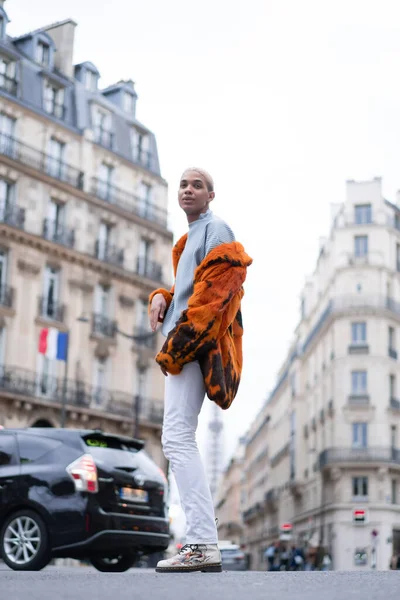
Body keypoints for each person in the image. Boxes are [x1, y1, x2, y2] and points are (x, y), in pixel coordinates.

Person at [148, 168, 252, 573]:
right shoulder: (191, 237)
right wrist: (162, 296)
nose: (188, 189)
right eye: (183, 184)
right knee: (175, 438)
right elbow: (191, 290)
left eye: (197, 185)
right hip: (187, 342)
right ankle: (201, 541)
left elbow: (219, 292)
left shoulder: (217, 229)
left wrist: (178, 346)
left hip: (192, 345)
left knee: (176, 438)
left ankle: (201, 543)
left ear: (211, 195)